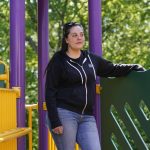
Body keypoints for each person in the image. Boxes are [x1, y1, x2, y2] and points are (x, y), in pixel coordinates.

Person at [45, 22, 145, 150]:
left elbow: (112, 69)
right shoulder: (59, 61)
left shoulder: (91, 59)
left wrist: (134, 67)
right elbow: (50, 91)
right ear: (66, 39)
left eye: (81, 35)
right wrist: (55, 121)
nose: (79, 38)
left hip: (87, 117)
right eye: (74, 35)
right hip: (64, 114)